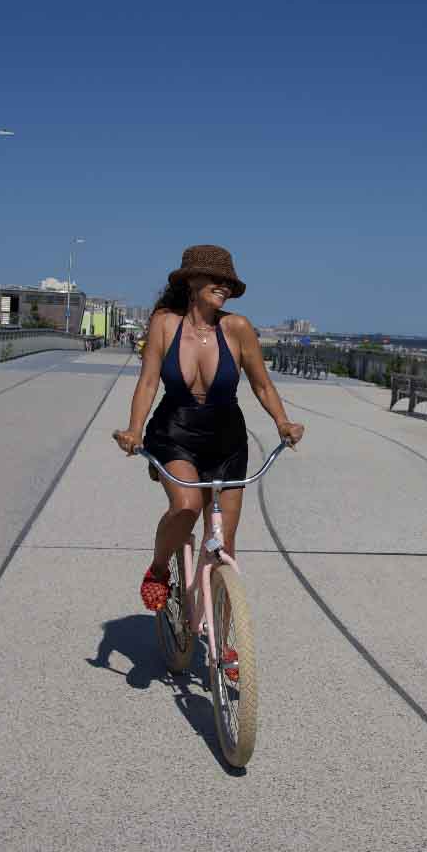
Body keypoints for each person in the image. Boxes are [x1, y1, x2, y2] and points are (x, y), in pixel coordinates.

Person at [113, 245, 304, 612]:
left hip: (227, 441)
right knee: (186, 507)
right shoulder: (165, 323)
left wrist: (283, 422)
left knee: (224, 546)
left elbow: (262, 385)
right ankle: (157, 568)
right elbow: (149, 382)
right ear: (192, 281)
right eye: (217, 279)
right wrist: (135, 430)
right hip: (175, 434)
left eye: (229, 282)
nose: (225, 287)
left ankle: (227, 644)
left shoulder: (238, 328)